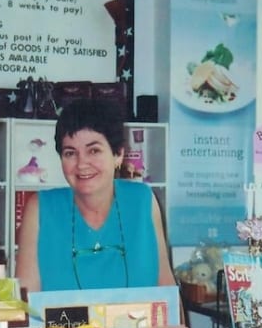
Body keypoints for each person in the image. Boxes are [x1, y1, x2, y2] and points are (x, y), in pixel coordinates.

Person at [15, 98, 177, 292]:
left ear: (118, 155)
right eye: (70, 153)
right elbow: (25, 303)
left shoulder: (143, 200)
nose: (82, 163)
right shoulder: (40, 208)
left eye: (94, 150)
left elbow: (168, 292)